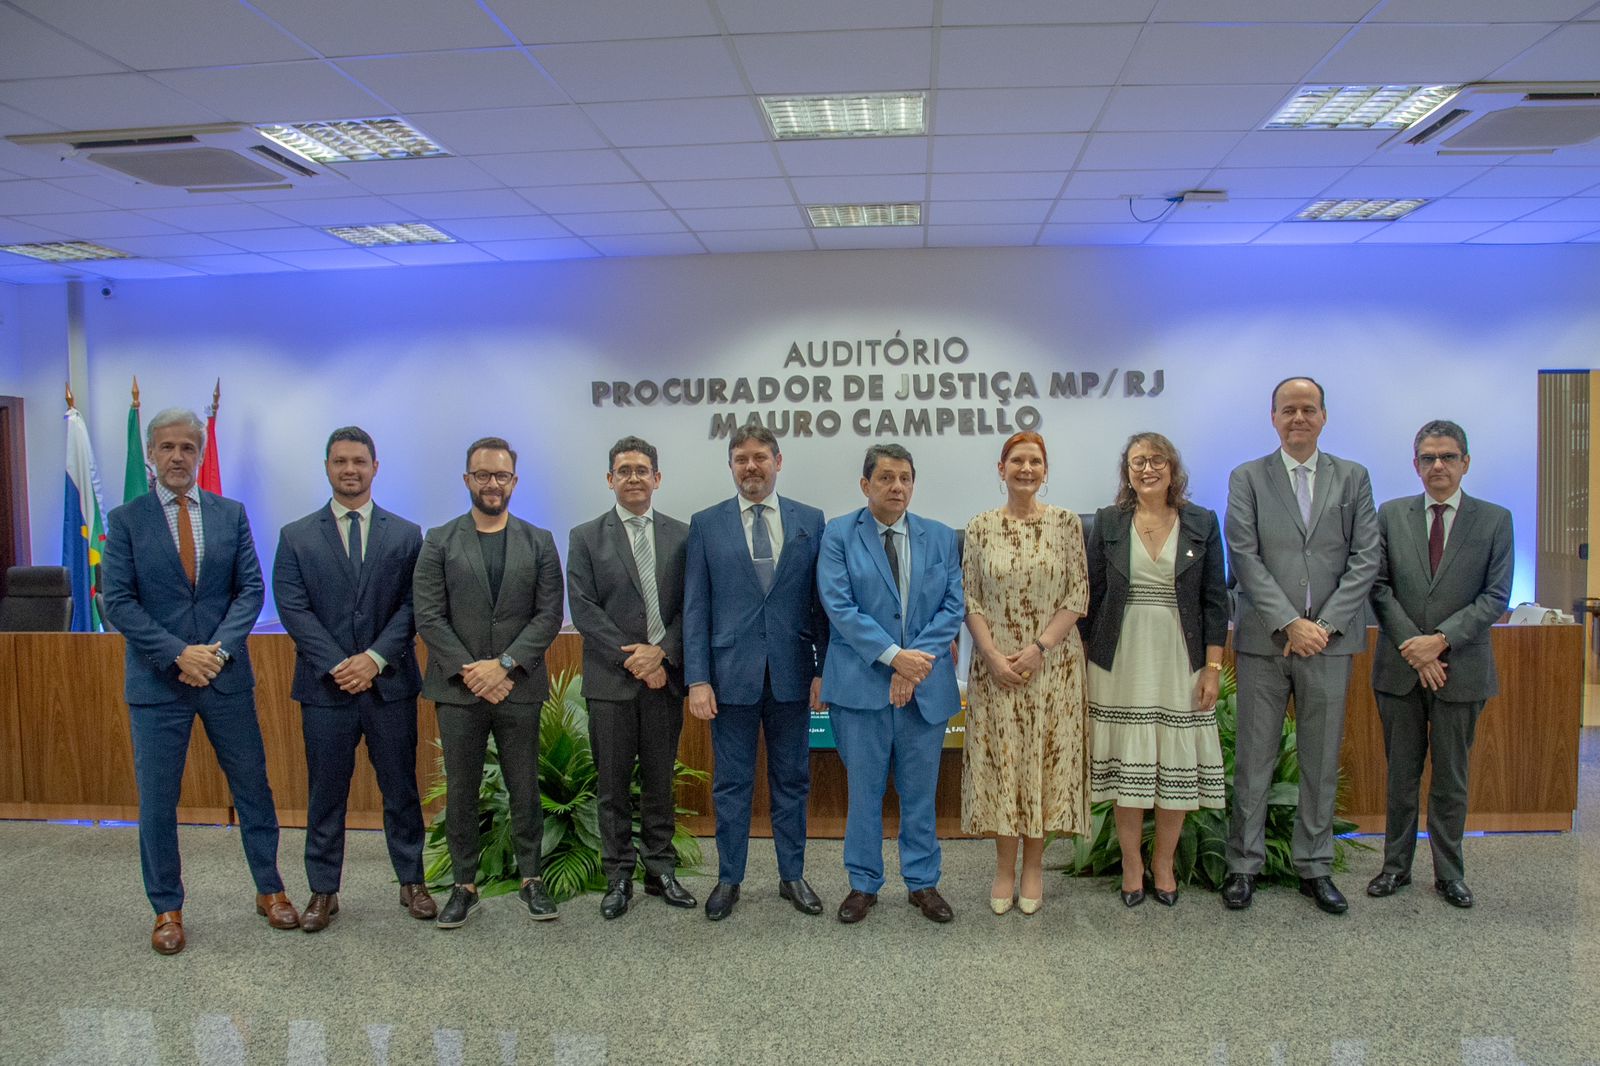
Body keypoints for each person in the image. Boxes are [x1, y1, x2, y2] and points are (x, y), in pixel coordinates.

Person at [101, 407, 298, 954]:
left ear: (201, 453)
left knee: (253, 788)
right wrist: (177, 654)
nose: (177, 457)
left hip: (224, 677)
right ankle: (166, 908)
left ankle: (271, 889)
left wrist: (216, 652)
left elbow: (250, 590)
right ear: (150, 455)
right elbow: (118, 601)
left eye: (187, 447)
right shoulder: (126, 520)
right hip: (158, 682)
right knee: (158, 802)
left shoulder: (230, 514)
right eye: (167, 447)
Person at [1223, 377, 1379, 915]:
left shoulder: (1353, 477)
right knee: (1254, 759)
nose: (1298, 418)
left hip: (1329, 646)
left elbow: (1366, 558)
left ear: (1323, 416)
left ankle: (1314, 867)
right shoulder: (1247, 477)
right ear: (1273, 418)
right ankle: (1243, 865)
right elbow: (1244, 556)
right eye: (1288, 409)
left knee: (1320, 759)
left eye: (1308, 409)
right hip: (1266, 643)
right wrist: (1291, 622)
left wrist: (1324, 625)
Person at [272, 426, 434, 932]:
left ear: (375, 467)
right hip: (326, 689)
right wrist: (340, 664)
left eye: (359, 461)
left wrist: (375, 659)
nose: (350, 469)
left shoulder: (406, 534)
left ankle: (412, 881)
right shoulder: (295, 535)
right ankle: (323, 890)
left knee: (401, 790)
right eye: (340, 461)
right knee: (326, 794)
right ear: (327, 467)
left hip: (390, 687)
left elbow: (414, 605)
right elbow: (293, 607)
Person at [413, 436, 564, 928]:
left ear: (514, 481)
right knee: (462, 789)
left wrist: (504, 665)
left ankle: (531, 879)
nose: (492, 483)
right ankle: (464, 885)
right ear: (467, 479)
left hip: (518, 685)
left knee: (524, 786)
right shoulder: (439, 540)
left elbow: (548, 615)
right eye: (482, 474)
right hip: (458, 689)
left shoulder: (539, 541)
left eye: (501, 475)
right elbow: (429, 616)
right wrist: (472, 671)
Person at [683, 425, 828, 921]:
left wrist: (823, 671)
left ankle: (792, 875)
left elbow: (821, 605)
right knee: (731, 784)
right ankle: (729, 878)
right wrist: (698, 679)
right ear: (731, 466)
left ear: (778, 462)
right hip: (729, 678)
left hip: (792, 674)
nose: (751, 466)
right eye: (741, 458)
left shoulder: (810, 520)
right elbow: (696, 608)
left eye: (760, 457)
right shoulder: (706, 524)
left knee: (793, 780)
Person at [1367, 420, 1512, 909]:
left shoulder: (1495, 520)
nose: (1438, 466)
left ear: (1465, 462)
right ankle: (1395, 867)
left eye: (1448, 457)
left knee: (1451, 778)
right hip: (1400, 669)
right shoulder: (1391, 514)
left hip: (1461, 669)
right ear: (1416, 465)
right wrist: (1415, 646)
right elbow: (1378, 587)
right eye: (1428, 458)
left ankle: (1450, 873)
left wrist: (1440, 642)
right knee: (1400, 777)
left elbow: (1496, 595)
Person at [820, 443, 964, 925]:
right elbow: (839, 607)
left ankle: (922, 882)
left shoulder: (940, 536)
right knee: (864, 793)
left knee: (920, 793)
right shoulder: (839, 534)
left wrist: (911, 666)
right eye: (885, 478)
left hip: (924, 688)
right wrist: (894, 658)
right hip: (861, 689)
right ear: (866, 485)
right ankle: (863, 884)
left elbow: (952, 606)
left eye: (905, 478)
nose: (896, 487)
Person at [1083, 432, 1227, 908]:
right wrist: (1084, 661)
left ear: (1173, 467)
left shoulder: (1202, 522)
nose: (1148, 469)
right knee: (1130, 769)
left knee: (1176, 767)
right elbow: (1091, 596)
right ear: (1127, 472)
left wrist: (1212, 668)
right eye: (1138, 461)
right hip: (1120, 661)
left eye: (1157, 460)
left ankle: (1163, 864)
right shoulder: (1108, 522)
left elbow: (1215, 601)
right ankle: (1132, 865)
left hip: (1181, 659)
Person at [567, 436, 696, 919]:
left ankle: (661, 870)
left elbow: (692, 606)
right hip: (611, 683)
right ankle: (618, 875)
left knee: (661, 781)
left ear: (657, 478)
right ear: (610, 479)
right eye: (624, 470)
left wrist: (661, 655)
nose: (634, 478)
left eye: (643, 470)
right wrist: (636, 660)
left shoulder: (683, 536)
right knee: (613, 786)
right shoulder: (585, 537)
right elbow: (584, 610)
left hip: (665, 679)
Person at [962, 431, 1089, 916]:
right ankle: (1003, 868)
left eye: (1035, 461)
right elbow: (970, 597)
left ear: (1045, 470)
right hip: (995, 669)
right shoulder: (979, 527)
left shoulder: (1066, 523)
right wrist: (993, 656)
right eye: (1017, 460)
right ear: (1002, 469)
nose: (1026, 469)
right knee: (1003, 766)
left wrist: (1039, 649)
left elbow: (1077, 594)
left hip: (1053, 669)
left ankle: (1033, 868)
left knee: (1043, 765)